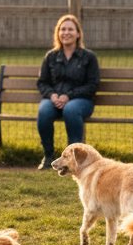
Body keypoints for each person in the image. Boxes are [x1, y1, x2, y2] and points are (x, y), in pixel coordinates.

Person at [36, 13, 99, 169]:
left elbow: (92, 85)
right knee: (44, 111)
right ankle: (48, 156)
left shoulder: (88, 57)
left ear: (78, 33)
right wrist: (52, 95)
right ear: (58, 33)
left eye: (70, 29)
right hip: (54, 100)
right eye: (62, 29)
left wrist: (69, 96)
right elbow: (42, 82)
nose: (66, 33)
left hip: (81, 101)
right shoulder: (51, 56)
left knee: (71, 109)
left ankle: (76, 160)